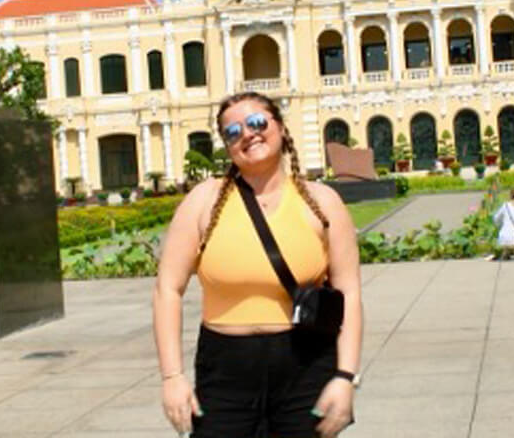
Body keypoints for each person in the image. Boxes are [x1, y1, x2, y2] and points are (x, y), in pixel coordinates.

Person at [154, 92, 362, 438]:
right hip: (225, 369)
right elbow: (167, 289)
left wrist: (345, 378)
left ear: (279, 126)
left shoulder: (322, 202)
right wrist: (172, 377)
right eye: (233, 131)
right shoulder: (204, 200)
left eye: (256, 123)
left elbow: (349, 293)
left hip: (305, 363)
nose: (247, 134)